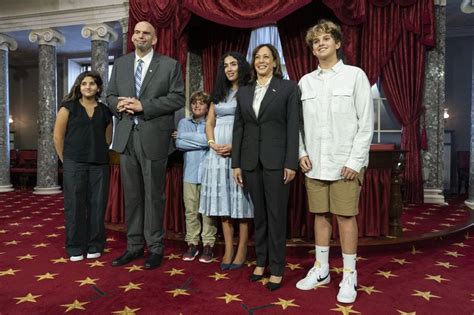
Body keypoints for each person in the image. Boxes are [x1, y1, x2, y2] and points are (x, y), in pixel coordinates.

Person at [295, 20, 374, 304]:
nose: (320, 44)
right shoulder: (305, 81)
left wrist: (355, 159)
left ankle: (350, 274)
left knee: (345, 216)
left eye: (326, 39)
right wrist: (301, 152)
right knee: (320, 215)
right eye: (315, 41)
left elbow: (366, 123)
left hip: (345, 163)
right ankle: (322, 270)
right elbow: (298, 126)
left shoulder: (355, 76)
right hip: (314, 162)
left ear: (338, 43)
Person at [107, 21, 185, 270]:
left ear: (154, 39)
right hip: (126, 137)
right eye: (137, 32)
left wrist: (145, 106)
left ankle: (156, 248)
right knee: (132, 196)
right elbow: (108, 95)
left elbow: (178, 98)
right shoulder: (120, 64)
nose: (140, 36)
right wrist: (116, 104)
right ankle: (133, 247)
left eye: (146, 33)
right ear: (132, 38)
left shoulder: (170, 65)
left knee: (153, 197)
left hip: (154, 137)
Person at [232, 44, 300, 291]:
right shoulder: (244, 92)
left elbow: (294, 128)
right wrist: (236, 163)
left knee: (276, 216)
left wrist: (291, 162)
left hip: (277, 163)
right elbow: (238, 129)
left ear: (274, 62)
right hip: (250, 163)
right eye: (257, 57)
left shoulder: (288, 88)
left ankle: (278, 267)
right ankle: (261, 262)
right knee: (259, 216)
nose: (261, 61)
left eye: (266, 57)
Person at [199, 52, 254, 271]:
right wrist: (212, 143)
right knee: (223, 203)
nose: (229, 68)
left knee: (241, 201)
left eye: (233, 64)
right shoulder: (218, 93)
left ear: (242, 66)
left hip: (239, 152)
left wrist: (236, 147)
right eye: (225, 65)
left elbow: (252, 124)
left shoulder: (250, 91)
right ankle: (228, 248)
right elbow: (209, 122)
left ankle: (242, 248)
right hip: (216, 155)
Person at [53, 71, 113, 262]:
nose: (88, 86)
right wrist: (66, 160)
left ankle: (95, 244)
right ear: (79, 86)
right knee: (75, 205)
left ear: (98, 87)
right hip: (74, 163)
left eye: (92, 83)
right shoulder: (67, 107)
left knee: (97, 205)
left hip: (99, 164)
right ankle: (75, 246)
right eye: (84, 83)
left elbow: (108, 138)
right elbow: (58, 136)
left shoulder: (105, 110)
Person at [174, 91, 217, 263]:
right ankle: (192, 243)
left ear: (207, 107)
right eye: (194, 103)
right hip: (190, 175)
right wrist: (204, 140)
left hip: (209, 174)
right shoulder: (184, 122)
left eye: (201, 103)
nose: (197, 106)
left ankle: (208, 244)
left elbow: (211, 142)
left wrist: (184, 136)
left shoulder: (212, 122)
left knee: (207, 211)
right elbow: (179, 144)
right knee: (191, 211)